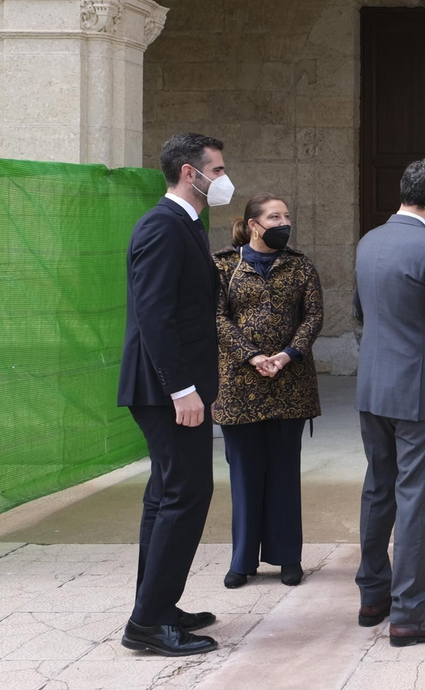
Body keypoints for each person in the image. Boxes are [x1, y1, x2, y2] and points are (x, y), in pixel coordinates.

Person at [116, 132, 231, 656]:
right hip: (167, 389)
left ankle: (157, 604)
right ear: (191, 172)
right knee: (187, 492)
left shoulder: (187, 225)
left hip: (175, 386)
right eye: (217, 168)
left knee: (166, 494)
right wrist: (182, 389)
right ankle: (147, 622)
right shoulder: (162, 227)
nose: (223, 177)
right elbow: (154, 315)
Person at [352, 159, 425, 646]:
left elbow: (361, 312)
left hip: (373, 385)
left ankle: (373, 594)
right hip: (419, 386)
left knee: (379, 490)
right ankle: (409, 612)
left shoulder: (369, 241)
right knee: (416, 499)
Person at [212, 193, 324, 590]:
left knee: (283, 473)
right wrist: (252, 356)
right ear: (254, 223)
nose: (283, 222)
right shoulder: (224, 265)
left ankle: (287, 557)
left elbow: (313, 315)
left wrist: (288, 354)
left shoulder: (299, 265)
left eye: (287, 216)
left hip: (289, 383)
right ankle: (242, 560)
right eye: (274, 216)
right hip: (239, 385)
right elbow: (217, 317)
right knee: (244, 474)